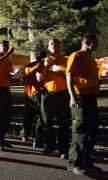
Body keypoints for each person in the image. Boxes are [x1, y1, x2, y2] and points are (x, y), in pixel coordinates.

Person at [66, 33, 102, 175]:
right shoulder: (77, 56)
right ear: (87, 42)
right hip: (80, 97)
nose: (97, 45)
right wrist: (72, 97)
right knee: (80, 131)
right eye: (95, 42)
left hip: (91, 98)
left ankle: (87, 161)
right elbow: (69, 75)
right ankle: (74, 163)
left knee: (92, 131)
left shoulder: (91, 59)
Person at [36, 39, 70, 158]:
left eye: (56, 43)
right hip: (48, 95)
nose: (54, 45)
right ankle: (49, 146)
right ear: (48, 47)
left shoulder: (66, 60)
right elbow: (39, 78)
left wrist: (60, 72)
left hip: (63, 94)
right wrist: (46, 65)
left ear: (59, 46)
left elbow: (71, 77)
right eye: (51, 44)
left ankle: (63, 149)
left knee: (64, 123)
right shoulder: (43, 61)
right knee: (46, 122)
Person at [20, 51, 47, 148]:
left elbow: (22, 79)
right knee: (40, 118)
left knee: (28, 116)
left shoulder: (28, 66)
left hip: (28, 94)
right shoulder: (43, 65)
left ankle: (24, 134)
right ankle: (37, 139)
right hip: (39, 94)